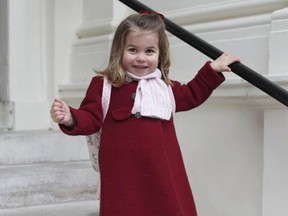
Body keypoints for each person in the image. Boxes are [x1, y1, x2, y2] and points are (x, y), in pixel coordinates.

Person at [50, 13, 240, 216]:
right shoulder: (104, 86)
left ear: (160, 54)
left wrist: (213, 69)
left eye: (149, 51)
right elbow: (91, 118)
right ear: (119, 51)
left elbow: (192, 94)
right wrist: (70, 117)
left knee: (166, 208)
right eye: (133, 50)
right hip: (123, 177)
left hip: (161, 174)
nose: (141, 57)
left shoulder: (164, 88)